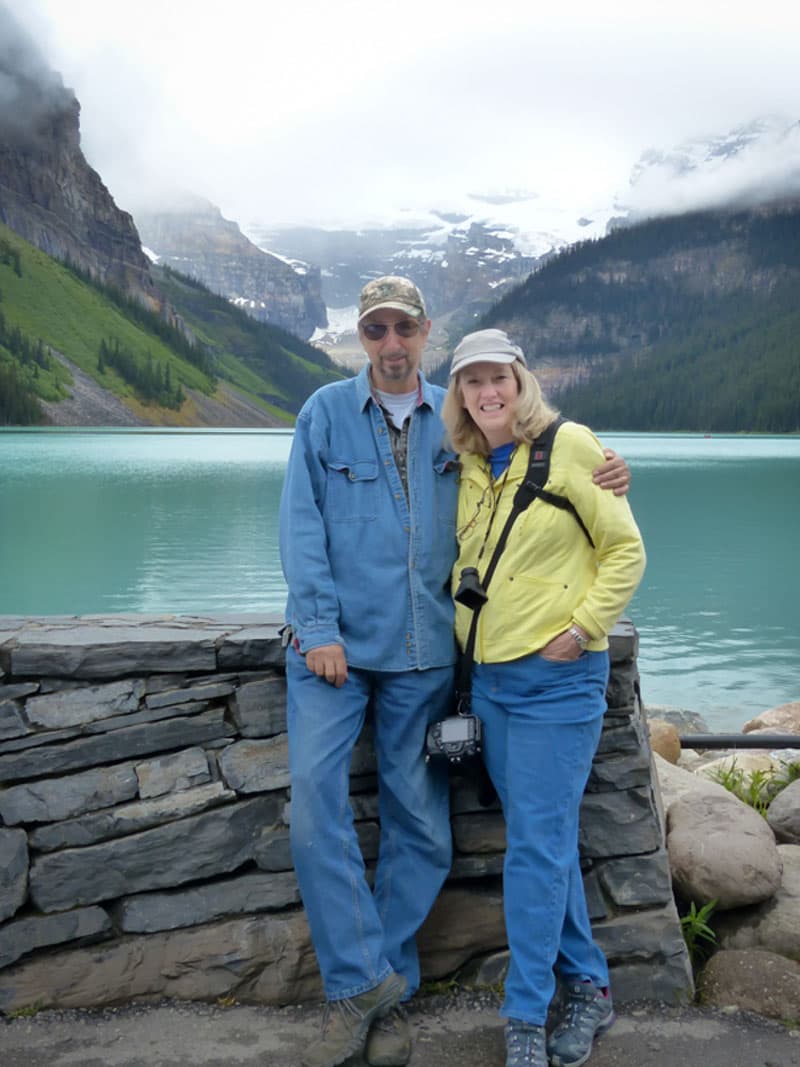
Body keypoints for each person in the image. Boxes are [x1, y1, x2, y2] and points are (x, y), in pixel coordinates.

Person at [279, 278, 631, 1067]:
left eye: (404, 327)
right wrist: (318, 628)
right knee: (313, 811)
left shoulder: (462, 421)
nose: (391, 342)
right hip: (333, 657)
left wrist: (610, 467)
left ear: (426, 331)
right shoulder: (323, 415)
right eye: (376, 330)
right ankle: (360, 981)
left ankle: (382, 985)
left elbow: (539, 470)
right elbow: (300, 527)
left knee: (426, 832)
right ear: (364, 337)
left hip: (427, 657)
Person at [441, 328, 646, 1067]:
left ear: (522, 380)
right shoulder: (467, 463)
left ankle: (524, 1013)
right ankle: (589, 985)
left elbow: (626, 550)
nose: (486, 393)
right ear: (458, 394)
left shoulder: (574, 446)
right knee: (543, 839)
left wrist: (584, 627)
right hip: (488, 681)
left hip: (557, 682)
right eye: (471, 382)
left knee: (533, 845)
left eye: (497, 378)